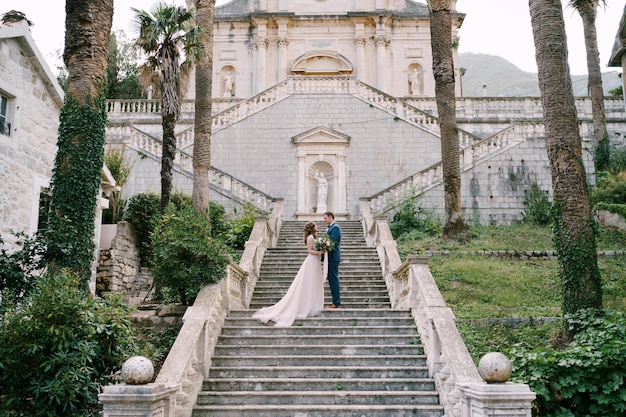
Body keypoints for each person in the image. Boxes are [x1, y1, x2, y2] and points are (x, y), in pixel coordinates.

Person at [252, 221, 325, 327]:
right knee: (309, 282)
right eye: (315, 225)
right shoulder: (310, 238)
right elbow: (309, 250)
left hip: (315, 261)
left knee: (313, 282)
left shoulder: (312, 237)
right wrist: (320, 252)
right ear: (312, 227)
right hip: (312, 261)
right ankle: (307, 305)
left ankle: (312, 304)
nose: (317, 226)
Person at [323, 211, 341, 308]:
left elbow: (332, 242)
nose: (324, 220)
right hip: (329, 257)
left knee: (333, 279)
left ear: (330, 217)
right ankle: (335, 301)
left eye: (325, 218)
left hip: (333, 257)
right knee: (331, 278)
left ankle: (336, 302)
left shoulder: (335, 228)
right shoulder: (330, 227)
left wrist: (323, 246)